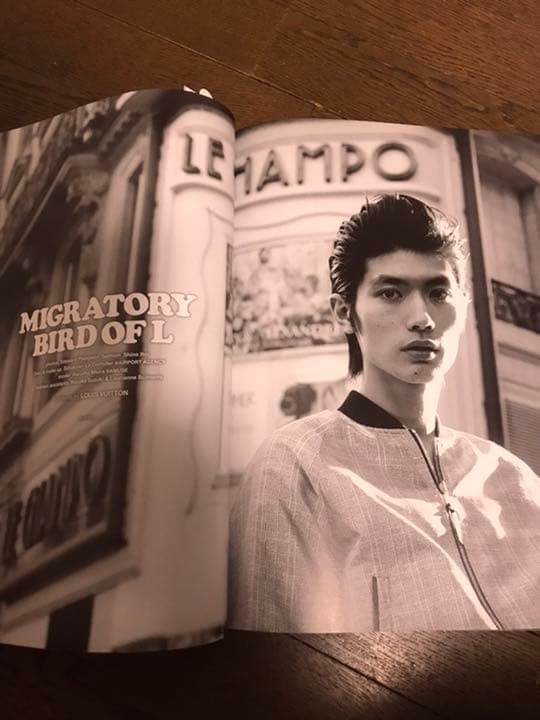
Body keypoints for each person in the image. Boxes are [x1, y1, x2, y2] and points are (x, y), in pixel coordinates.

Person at [227, 194, 540, 632]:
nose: (422, 318)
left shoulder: (512, 478)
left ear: (464, 305)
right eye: (391, 293)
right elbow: (275, 659)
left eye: (438, 293)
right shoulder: (294, 465)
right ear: (344, 312)